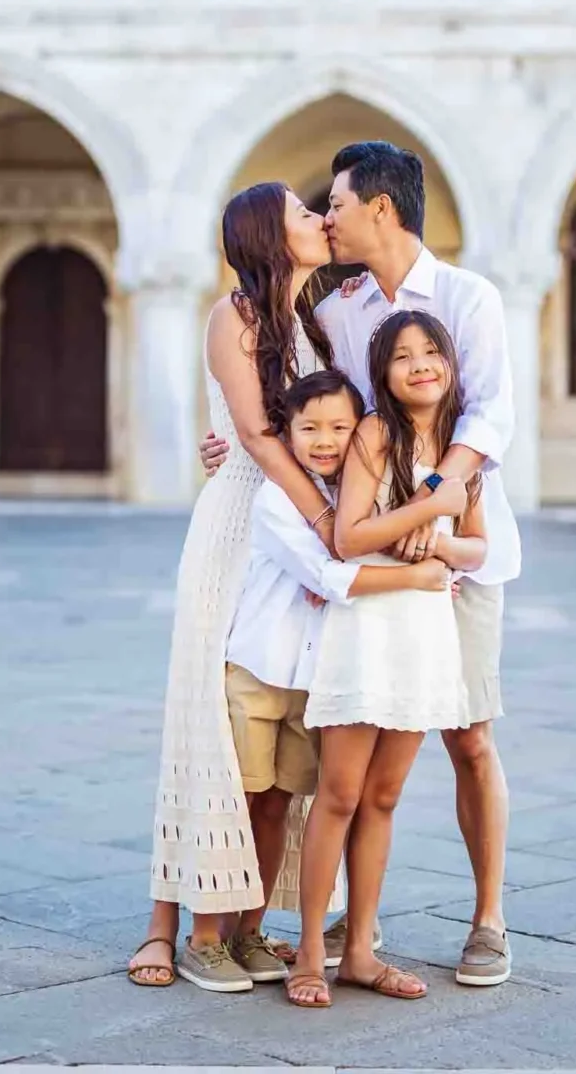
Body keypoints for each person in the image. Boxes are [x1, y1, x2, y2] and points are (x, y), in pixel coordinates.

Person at [202, 140, 517, 988]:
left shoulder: (465, 297)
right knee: (347, 771)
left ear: (380, 207)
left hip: (453, 550)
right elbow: (316, 411)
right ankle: (340, 931)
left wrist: (438, 505)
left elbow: (489, 416)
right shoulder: (336, 308)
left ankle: (487, 918)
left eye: (333, 204)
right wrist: (231, 441)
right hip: (366, 555)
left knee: (471, 735)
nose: (326, 216)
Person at [128, 182, 337, 994]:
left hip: (294, 524)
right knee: (207, 721)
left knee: (283, 733)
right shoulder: (235, 316)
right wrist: (322, 513)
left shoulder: (316, 322)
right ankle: (169, 923)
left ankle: (248, 921)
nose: (319, 220)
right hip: (238, 532)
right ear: (268, 236)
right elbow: (252, 433)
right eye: (301, 214)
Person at [224, 367, 454, 986]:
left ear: (361, 433)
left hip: (314, 676)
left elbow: (456, 535)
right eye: (310, 429)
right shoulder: (279, 497)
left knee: (281, 807)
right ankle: (206, 935)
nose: (325, 440)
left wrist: (434, 535)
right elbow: (333, 572)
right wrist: (418, 573)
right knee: (241, 802)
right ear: (287, 433)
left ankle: (251, 932)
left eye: (339, 428)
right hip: (260, 668)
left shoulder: (355, 488)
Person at [288, 311, 488, 1009]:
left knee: (384, 796)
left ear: (450, 363)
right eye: (403, 356)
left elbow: (475, 547)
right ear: (384, 373)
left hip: (424, 629)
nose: (420, 365)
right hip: (369, 625)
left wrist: (436, 541)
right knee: (339, 792)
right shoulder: (376, 434)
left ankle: (363, 950)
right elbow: (349, 536)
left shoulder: (463, 449)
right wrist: (426, 512)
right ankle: (312, 952)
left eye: (431, 351)